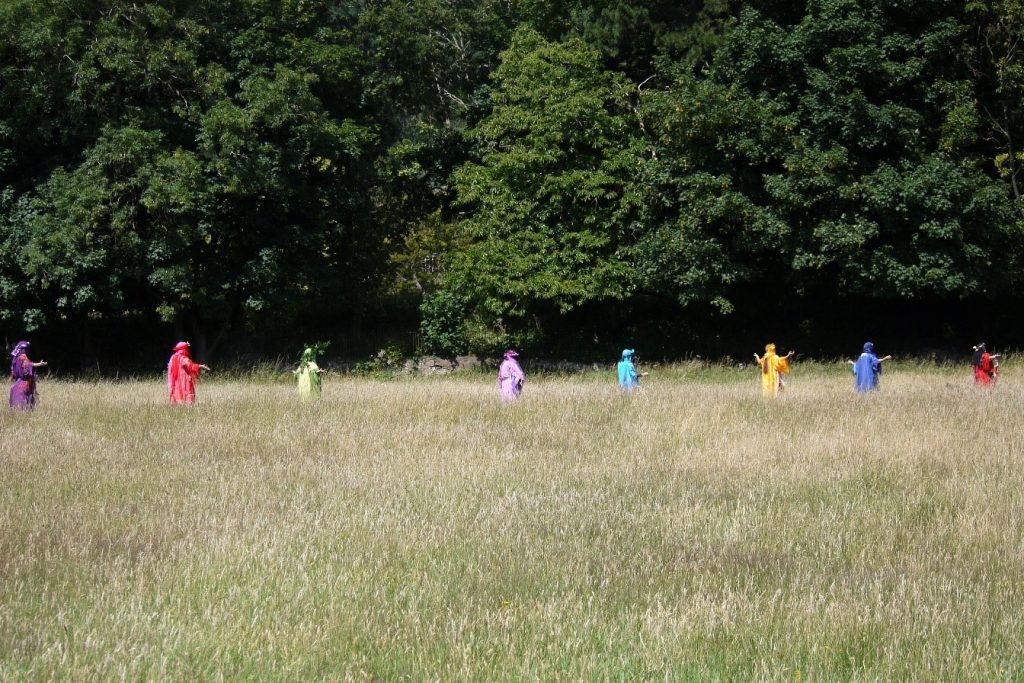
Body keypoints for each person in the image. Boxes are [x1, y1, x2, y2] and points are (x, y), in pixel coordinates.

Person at [9, 341, 46, 410]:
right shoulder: (22, 357)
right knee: (23, 406)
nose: (26, 350)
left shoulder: (15, 359)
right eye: (25, 348)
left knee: (17, 408)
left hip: (17, 384)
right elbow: (27, 365)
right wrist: (39, 364)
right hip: (23, 384)